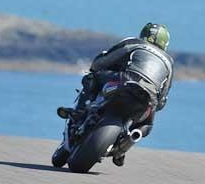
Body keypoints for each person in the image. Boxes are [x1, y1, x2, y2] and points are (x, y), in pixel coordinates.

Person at [54, 23, 174, 166]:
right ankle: (123, 148)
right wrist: (154, 104)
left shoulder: (134, 43)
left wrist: (96, 67)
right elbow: (162, 101)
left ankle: (78, 112)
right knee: (147, 125)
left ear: (144, 34)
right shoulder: (169, 63)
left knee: (92, 78)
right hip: (148, 98)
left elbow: (102, 62)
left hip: (125, 81)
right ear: (165, 43)